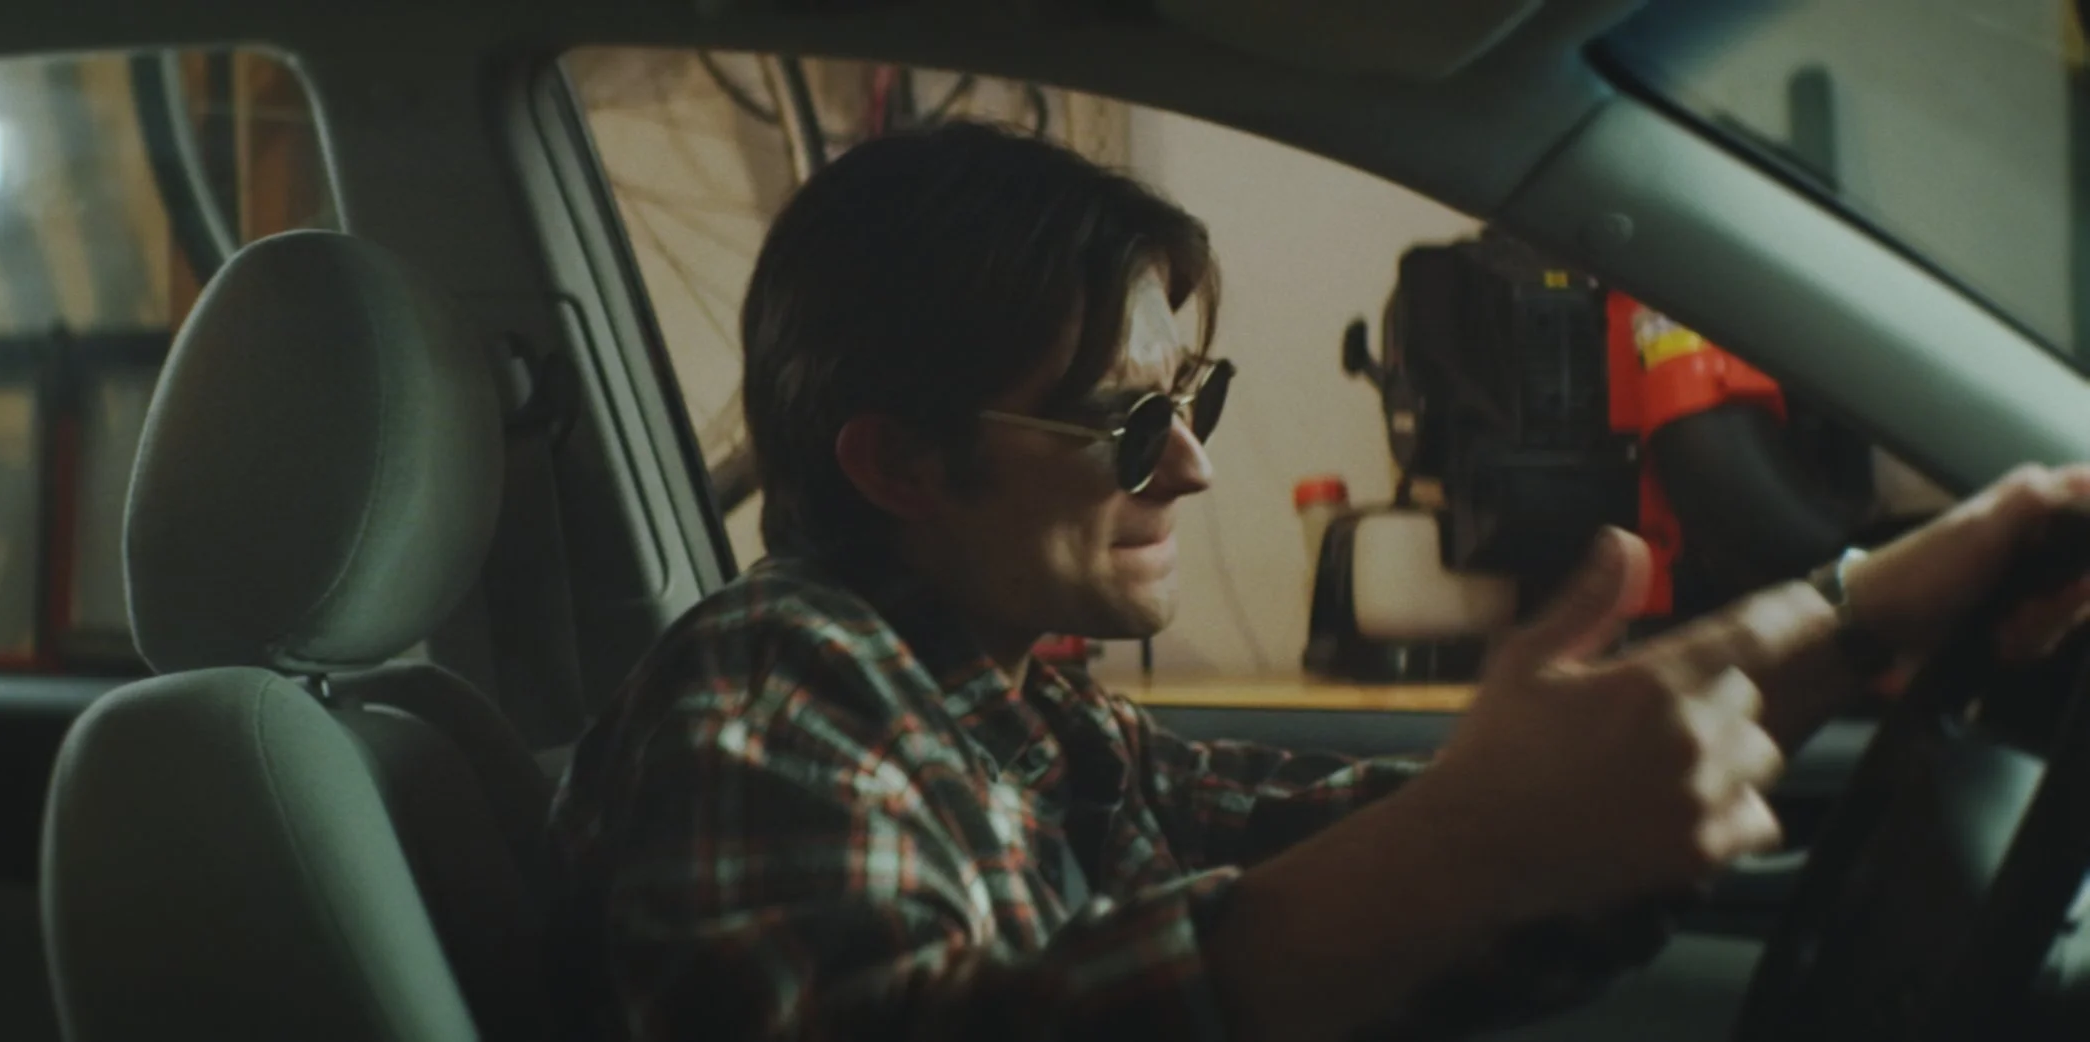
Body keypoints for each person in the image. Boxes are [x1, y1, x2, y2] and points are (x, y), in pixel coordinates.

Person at [546, 121, 2090, 1042]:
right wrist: (1472, 849)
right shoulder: (766, 684)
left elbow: (1392, 831)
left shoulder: (1029, 713)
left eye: (1195, 402)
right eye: (1128, 421)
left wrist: (1870, 608)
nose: (1192, 467)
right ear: (895, 463)